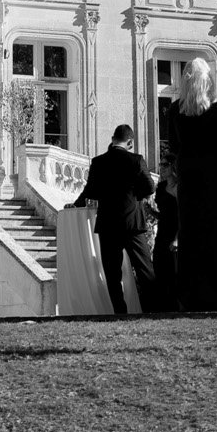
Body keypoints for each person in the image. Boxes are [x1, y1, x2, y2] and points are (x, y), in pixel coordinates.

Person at [166, 58, 217, 309]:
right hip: (212, 178)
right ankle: (216, 292)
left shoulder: (174, 110)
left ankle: (188, 293)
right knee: (213, 234)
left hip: (188, 178)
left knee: (189, 234)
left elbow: (173, 146)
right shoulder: (215, 110)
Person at [72, 125, 156, 316]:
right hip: (132, 223)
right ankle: (153, 310)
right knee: (145, 269)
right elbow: (150, 187)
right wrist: (135, 195)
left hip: (108, 223)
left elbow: (90, 191)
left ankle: (120, 312)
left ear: (112, 138)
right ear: (130, 142)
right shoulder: (136, 160)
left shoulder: (98, 162)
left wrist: (75, 204)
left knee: (112, 273)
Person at [151, 153, 179, 313]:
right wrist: (151, 212)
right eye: (160, 165)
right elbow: (164, 215)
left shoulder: (178, 187)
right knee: (160, 268)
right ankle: (163, 307)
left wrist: (177, 239)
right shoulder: (160, 188)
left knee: (173, 271)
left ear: (173, 166)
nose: (161, 168)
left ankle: (175, 306)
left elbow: (182, 215)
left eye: (165, 165)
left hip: (175, 232)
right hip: (162, 232)